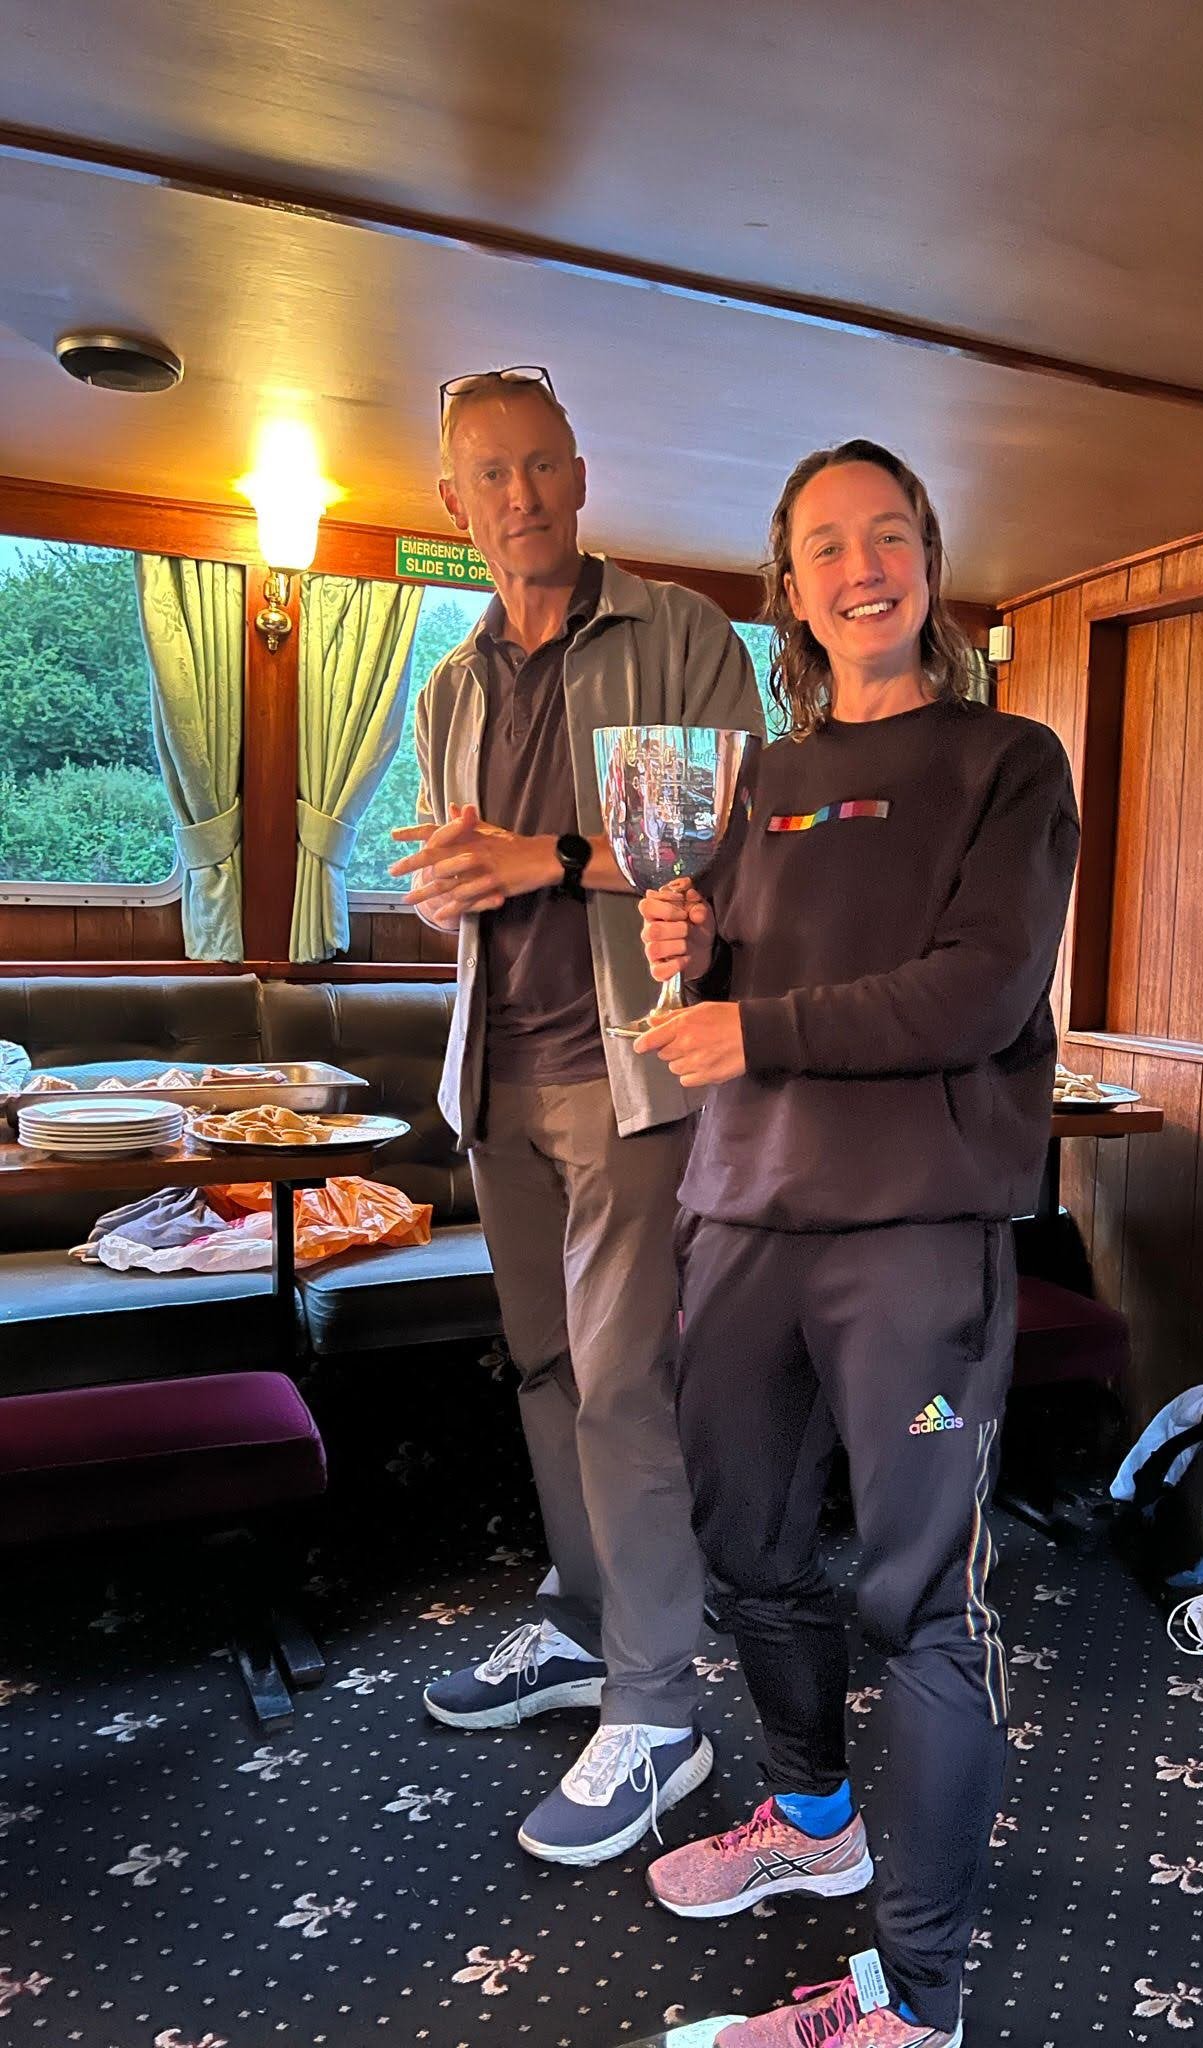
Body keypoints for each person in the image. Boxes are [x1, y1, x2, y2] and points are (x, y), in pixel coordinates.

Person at [633, 439, 1078, 2044]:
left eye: (889, 536)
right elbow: (726, 990)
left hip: (913, 1238)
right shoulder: (757, 779)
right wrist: (691, 947)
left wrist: (751, 1023)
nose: (861, 566)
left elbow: (982, 992)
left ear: (930, 566)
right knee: (750, 1552)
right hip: (740, 1213)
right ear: (792, 587)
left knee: (919, 1603)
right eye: (827, 545)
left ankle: (919, 2002)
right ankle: (812, 1821)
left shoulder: (1007, 760)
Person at [389, 366, 764, 1867]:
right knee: (545, 1369)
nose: (520, 495)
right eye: (489, 474)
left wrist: (537, 854)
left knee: (619, 1384)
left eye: (541, 464)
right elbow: (461, 882)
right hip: (495, 1071)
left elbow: (707, 844)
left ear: (582, 476)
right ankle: (586, 1617)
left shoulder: (671, 632)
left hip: (629, 1071)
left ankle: (660, 1707)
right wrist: (453, 881)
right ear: (452, 502)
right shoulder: (450, 686)